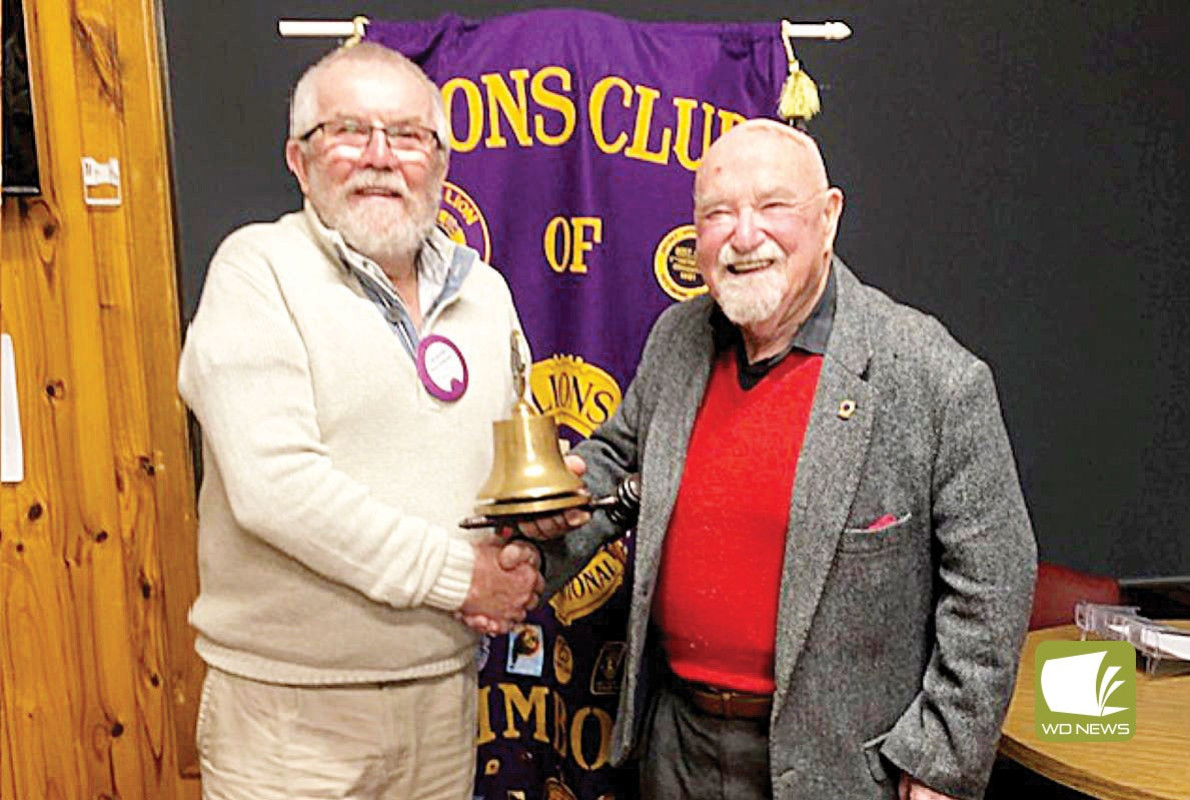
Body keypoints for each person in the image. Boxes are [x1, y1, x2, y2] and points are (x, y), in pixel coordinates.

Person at [527, 119, 1037, 800]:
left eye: (773, 207)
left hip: (845, 768)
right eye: (718, 214)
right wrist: (530, 543)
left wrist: (941, 760)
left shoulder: (930, 375)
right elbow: (616, 465)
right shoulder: (677, 336)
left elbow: (994, 584)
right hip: (675, 744)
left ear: (828, 219)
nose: (743, 235)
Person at [178, 42, 541, 800]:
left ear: (440, 162)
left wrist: (530, 537)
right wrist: (463, 578)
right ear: (299, 160)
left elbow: (508, 466)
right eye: (347, 131)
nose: (380, 157)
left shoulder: (488, 295)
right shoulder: (256, 272)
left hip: (443, 701)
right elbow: (277, 487)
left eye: (407, 136)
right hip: (292, 719)